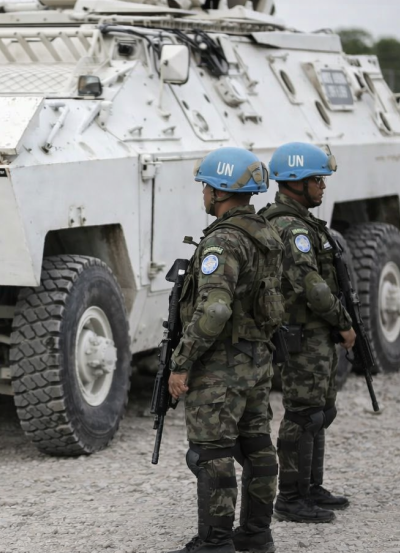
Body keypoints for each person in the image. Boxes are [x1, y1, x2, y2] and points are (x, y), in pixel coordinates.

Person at [167, 147, 284, 553]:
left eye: (206, 187)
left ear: (220, 191)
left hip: (221, 365)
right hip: (257, 359)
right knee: (256, 445)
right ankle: (256, 535)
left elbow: (215, 307)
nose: (203, 194)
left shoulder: (223, 241)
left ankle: (215, 542)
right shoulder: (265, 233)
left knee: (211, 453)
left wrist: (182, 362)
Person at [259, 142, 356, 524]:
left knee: (319, 411)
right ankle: (290, 497)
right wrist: (342, 321)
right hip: (303, 332)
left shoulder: (303, 222)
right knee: (302, 415)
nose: (323, 186)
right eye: (317, 179)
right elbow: (309, 283)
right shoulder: (290, 226)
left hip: (315, 333)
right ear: (297, 182)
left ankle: (311, 487)